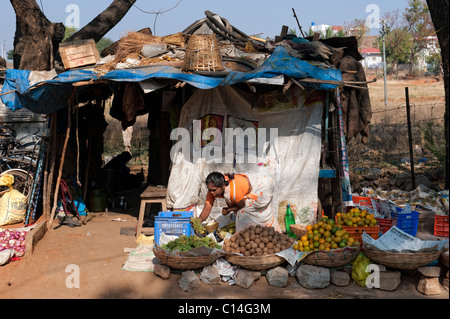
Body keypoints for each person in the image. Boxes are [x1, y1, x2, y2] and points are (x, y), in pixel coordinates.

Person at [199, 172, 280, 232]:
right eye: (209, 190)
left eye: (214, 190)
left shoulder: (233, 191)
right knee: (245, 212)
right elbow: (207, 208)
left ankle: (266, 229)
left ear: (222, 186)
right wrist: (198, 221)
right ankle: (254, 230)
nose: (212, 193)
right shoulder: (212, 191)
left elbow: (242, 205)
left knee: (245, 212)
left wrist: (228, 209)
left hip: (263, 185)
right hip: (249, 183)